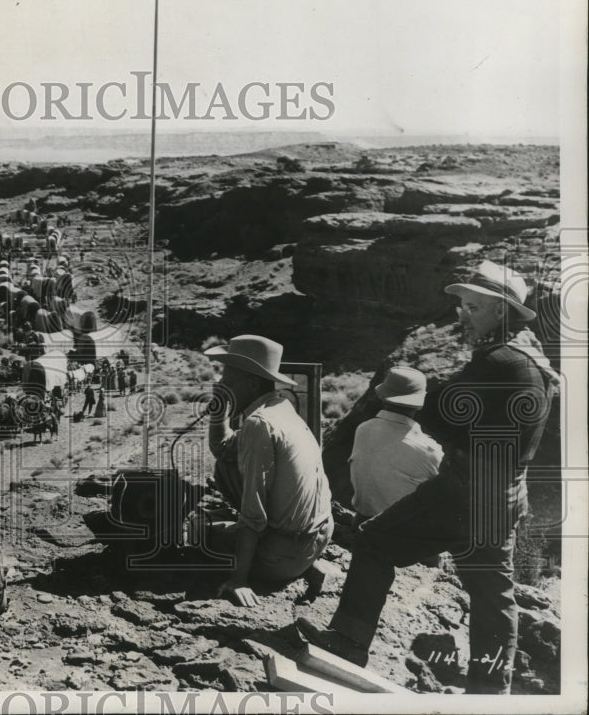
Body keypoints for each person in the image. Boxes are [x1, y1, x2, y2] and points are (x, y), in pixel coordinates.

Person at [296, 261, 558, 694]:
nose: (462, 315)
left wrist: (410, 400)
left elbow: (440, 414)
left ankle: (347, 643)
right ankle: (491, 691)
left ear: (501, 312)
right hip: (505, 496)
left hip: (463, 494)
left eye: (473, 307)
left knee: (375, 541)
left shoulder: (498, 361)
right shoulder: (531, 361)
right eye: (463, 306)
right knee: (493, 594)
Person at [205, 335, 333, 606]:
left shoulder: (258, 424)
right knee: (226, 467)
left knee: (202, 535)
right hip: (317, 539)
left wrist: (239, 579)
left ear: (252, 383)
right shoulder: (281, 408)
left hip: (284, 555)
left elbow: (253, 514)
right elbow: (224, 450)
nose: (223, 387)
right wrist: (219, 408)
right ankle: (306, 565)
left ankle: (289, 567)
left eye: (229, 381)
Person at [349, 366, 443, 523]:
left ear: (383, 396)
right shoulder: (429, 450)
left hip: (362, 522)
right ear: (419, 404)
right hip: (402, 530)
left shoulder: (363, 429)